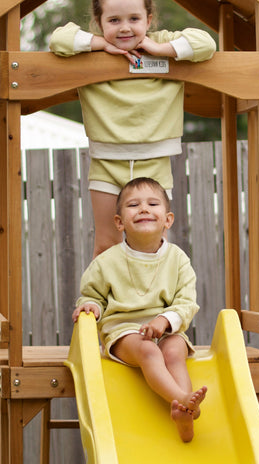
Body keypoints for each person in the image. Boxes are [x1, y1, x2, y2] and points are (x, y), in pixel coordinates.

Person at [49, 0, 216, 257]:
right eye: (114, 20)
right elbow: (58, 40)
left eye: (134, 18)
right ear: (99, 23)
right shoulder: (91, 49)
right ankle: (101, 301)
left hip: (155, 161)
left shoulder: (163, 41)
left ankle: (150, 300)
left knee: (152, 245)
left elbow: (206, 43)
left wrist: (161, 51)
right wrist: (100, 44)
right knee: (106, 244)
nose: (125, 27)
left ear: (149, 20)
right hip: (106, 162)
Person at [72, 177, 207, 442]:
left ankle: (182, 413)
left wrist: (165, 321)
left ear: (167, 220)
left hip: (166, 329)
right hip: (125, 332)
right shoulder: (107, 262)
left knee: (175, 351)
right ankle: (184, 400)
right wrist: (90, 306)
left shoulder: (178, 259)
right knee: (148, 350)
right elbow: (92, 296)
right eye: (133, 205)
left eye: (152, 203)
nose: (144, 208)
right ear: (119, 222)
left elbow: (186, 302)